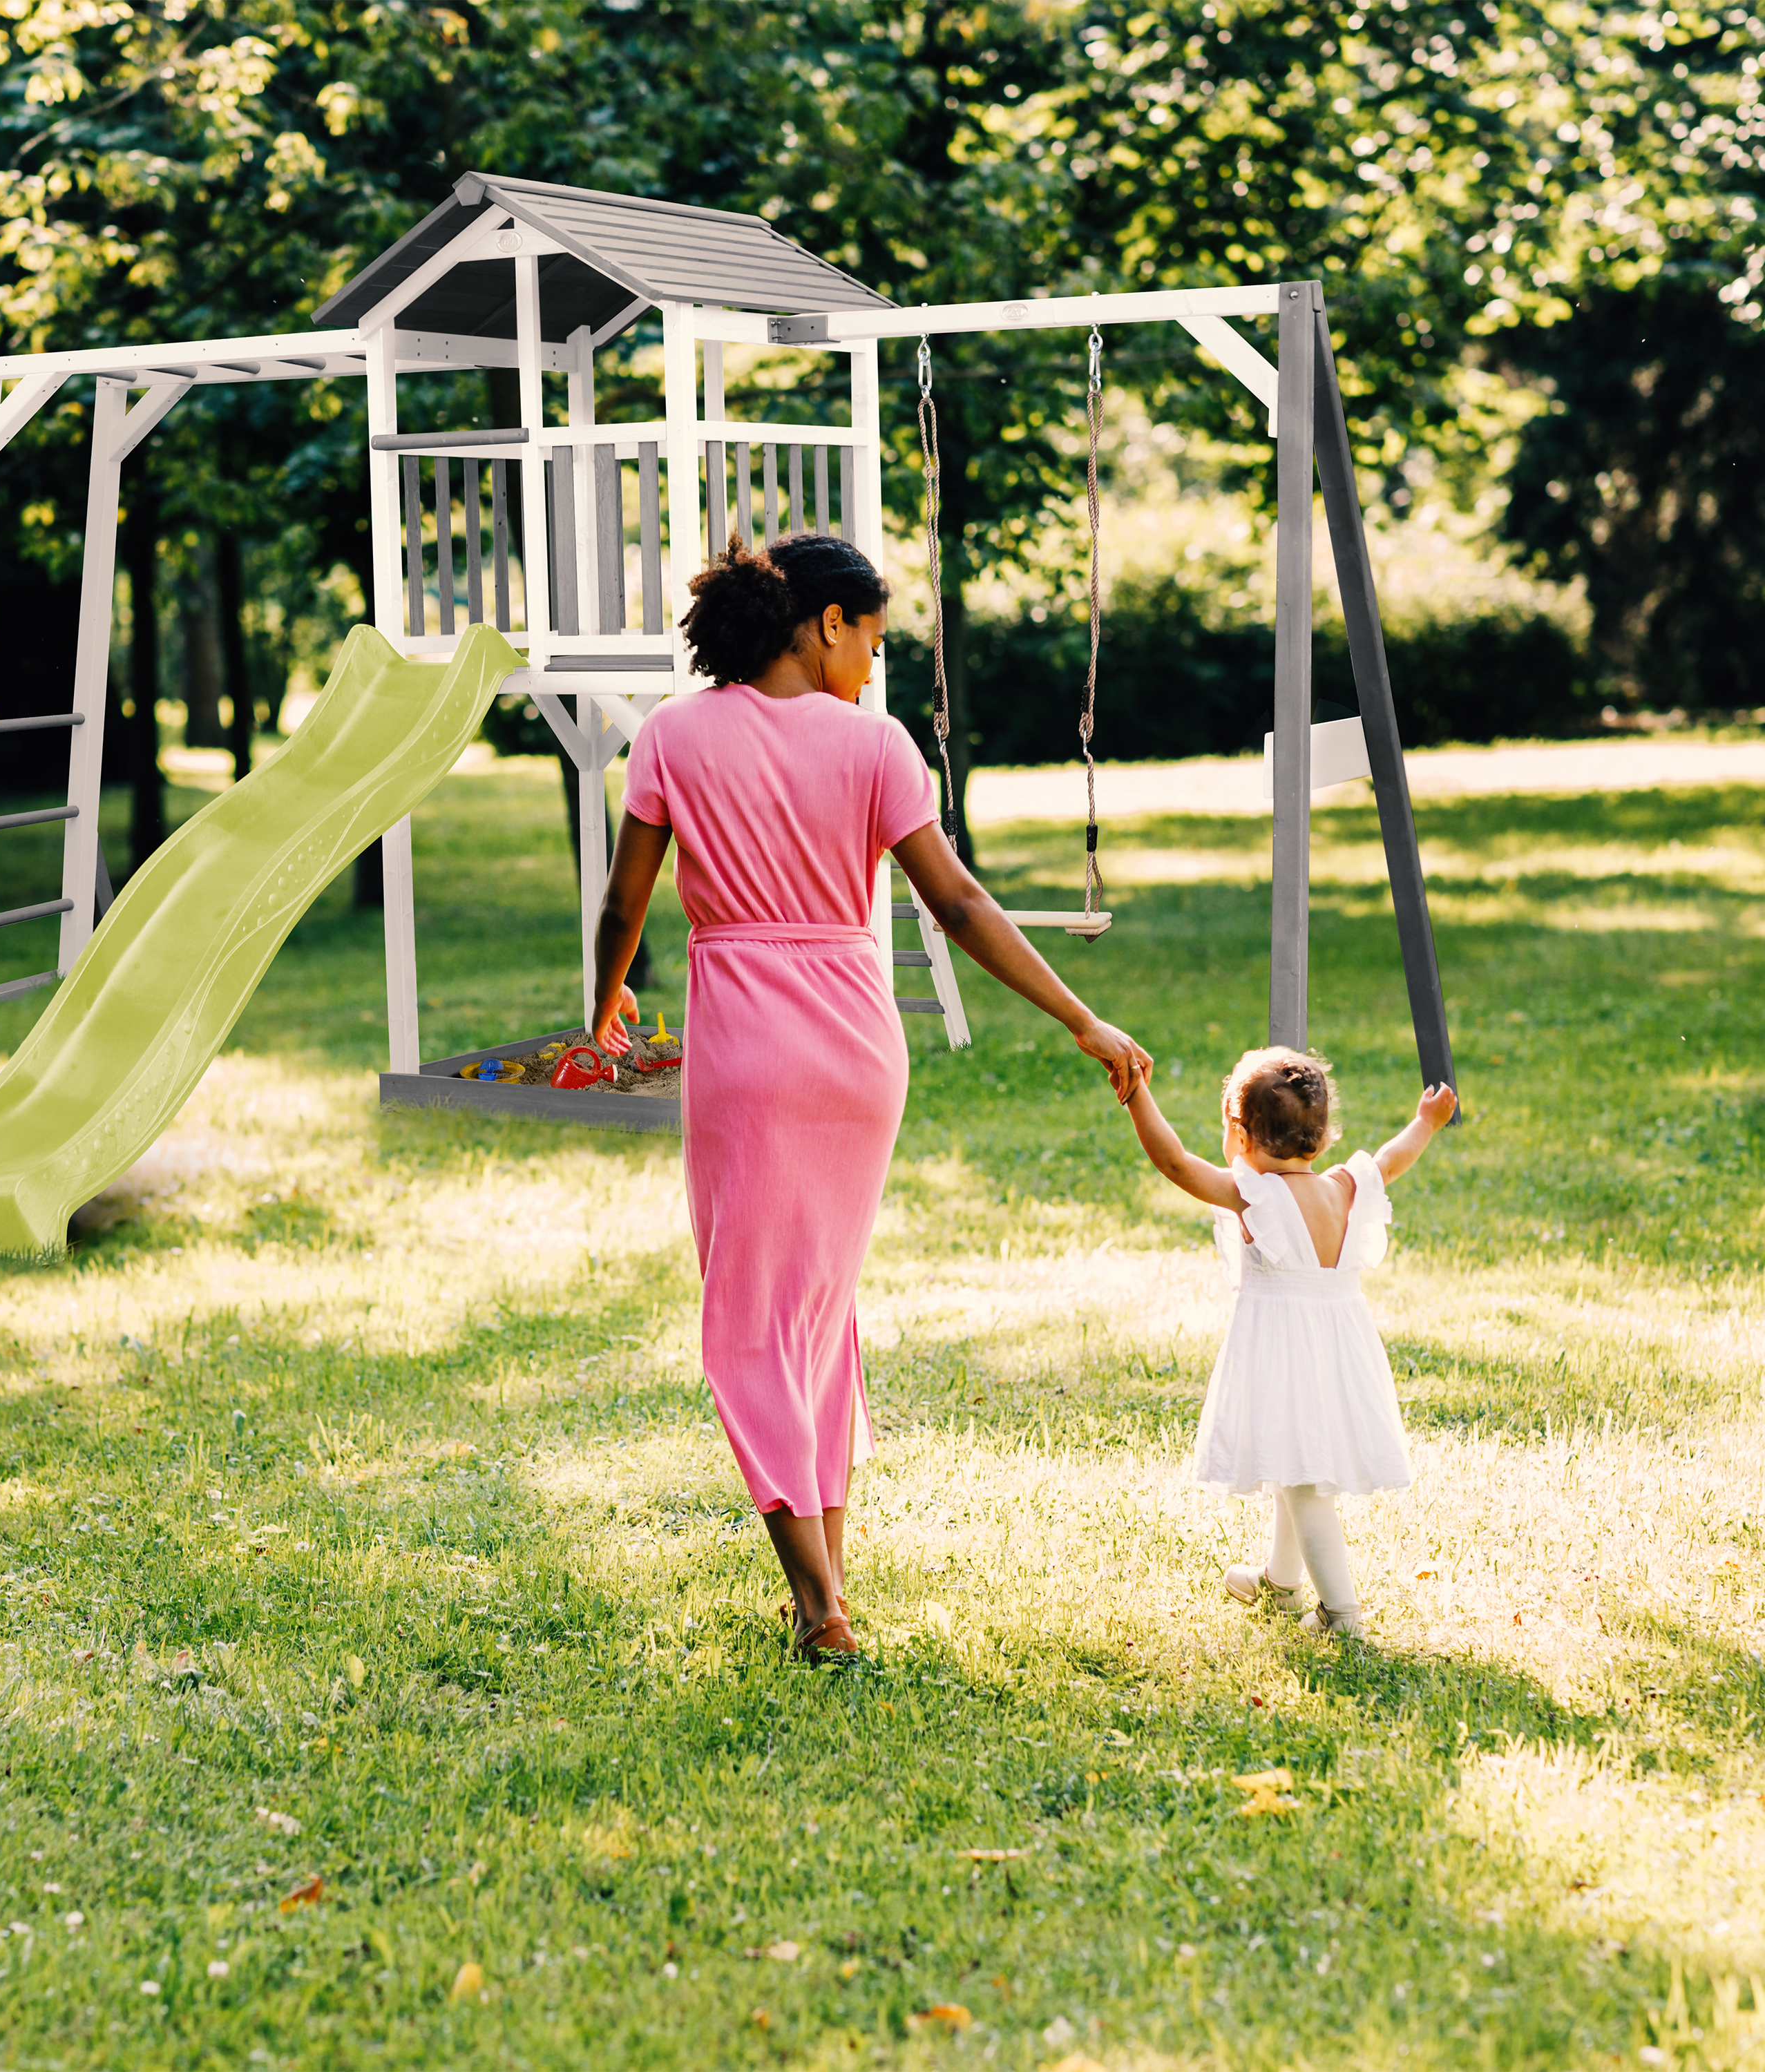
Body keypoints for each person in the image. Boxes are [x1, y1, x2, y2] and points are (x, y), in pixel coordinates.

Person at [589, 534, 1151, 1662]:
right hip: (855, 1048)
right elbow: (960, 905)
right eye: (873, 641)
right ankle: (828, 1584)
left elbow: (625, 904)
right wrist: (1079, 1016)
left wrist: (601, 1007)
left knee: (752, 1322)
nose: (873, 666)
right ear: (825, 623)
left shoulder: (672, 736)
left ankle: (817, 1604)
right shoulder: (877, 747)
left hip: (746, 1047)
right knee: (816, 1312)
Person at [1120, 1044, 1458, 1635]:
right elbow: (1392, 1157)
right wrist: (1425, 1122)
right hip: (1339, 1352)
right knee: (1291, 1461)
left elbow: (1174, 1162)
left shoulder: (1255, 1196)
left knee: (1304, 1485)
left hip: (1285, 1355)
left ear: (1240, 1135)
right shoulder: (1347, 1186)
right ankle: (1280, 1583)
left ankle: (1342, 1615)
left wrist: (1136, 1093)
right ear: (1322, 1139)